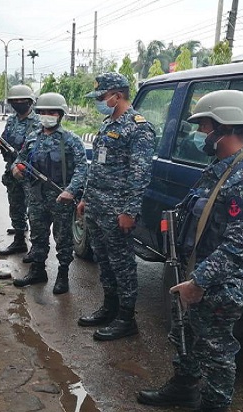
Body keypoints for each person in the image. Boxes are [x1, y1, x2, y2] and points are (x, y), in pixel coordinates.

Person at [136, 90, 243, 412]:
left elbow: (239, 245)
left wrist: (199, 281)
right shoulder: (218, 169)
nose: (200, 135)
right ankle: (183, 386)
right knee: (185, 336)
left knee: (216, 348)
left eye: (204, 127)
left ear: (223, 129)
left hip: (218, 282)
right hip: (195, 271)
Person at [76, 72, 155, 341]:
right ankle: (109, 307)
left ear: (116, 95)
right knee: (104, 261)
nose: (99, 101)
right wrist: (85, 197)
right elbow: (96, 167)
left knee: (122, 264)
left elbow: (139, 175)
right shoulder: (107, 123)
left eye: (101, 96)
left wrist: (129, 211)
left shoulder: (138, 128)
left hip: (118, 210)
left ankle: (126, 318)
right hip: (97, 206)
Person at [11, 93, 87, 294]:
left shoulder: (71, 140)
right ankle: (37, 270)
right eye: (43, 112)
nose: (47, 116)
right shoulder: (33, 137)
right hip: (36, 196)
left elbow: (82, 168)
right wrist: (16, 169)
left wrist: (71, 190)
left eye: (51, 112)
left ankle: (62, 275)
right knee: (38, 235)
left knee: (63, 239)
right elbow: (19, 159)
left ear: (60, 114)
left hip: (60, 197)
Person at [0, 85, 40, 257]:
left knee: (34, 211)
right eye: (15, 101)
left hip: (29, 173)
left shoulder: (37, 122)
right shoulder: (11, 120)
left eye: (22, 101)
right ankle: (19, 240)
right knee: (16, 205)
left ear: (30, 102)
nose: (18, 103)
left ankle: (37, 248)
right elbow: (4, 138)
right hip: (11, 170)